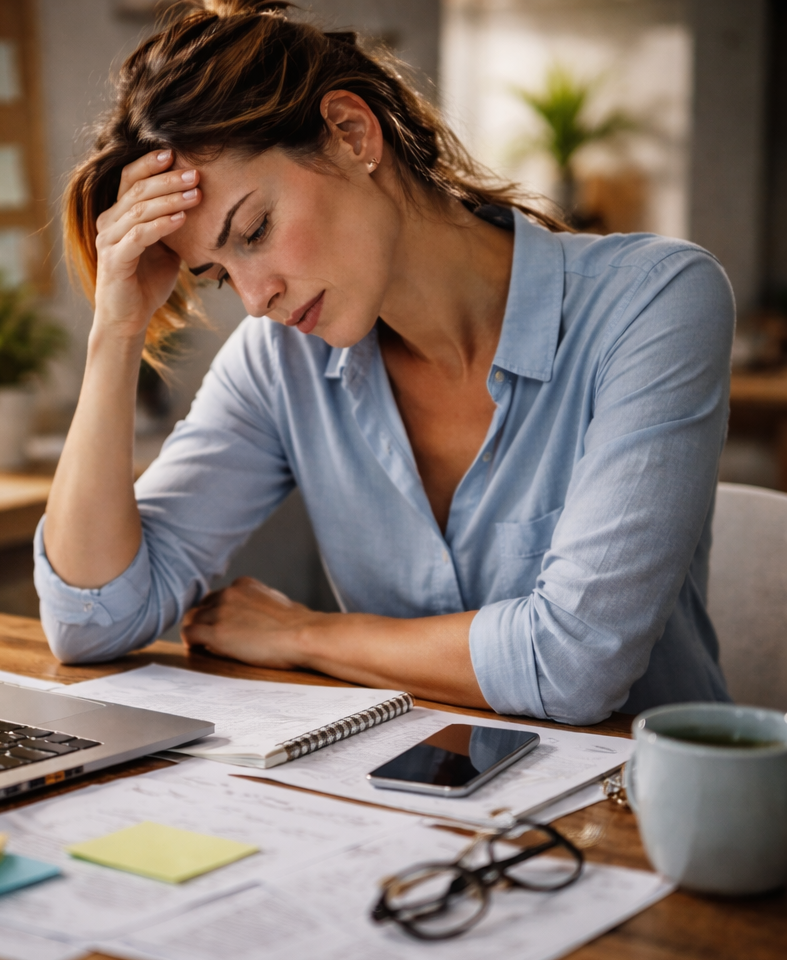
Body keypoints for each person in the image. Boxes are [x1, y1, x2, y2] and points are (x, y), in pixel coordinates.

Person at [37, 0, 734, 725]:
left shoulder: (653, 302)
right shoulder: (281, 361)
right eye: (216, 273)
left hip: (642, 819)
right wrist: (116, 330)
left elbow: (574, 666)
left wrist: (302, 634)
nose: (255, 298)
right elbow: (91, 622)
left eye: (255, 229)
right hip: (410, 812)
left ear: (350, 133)